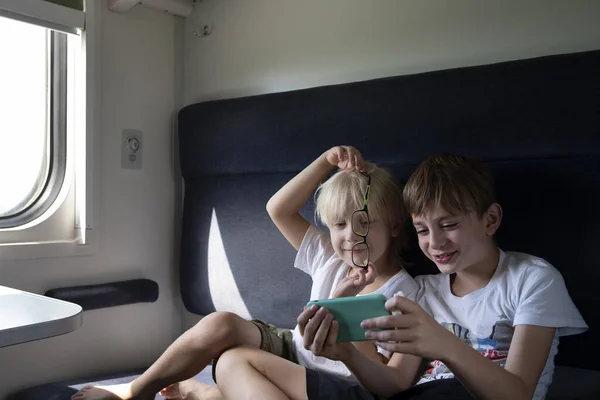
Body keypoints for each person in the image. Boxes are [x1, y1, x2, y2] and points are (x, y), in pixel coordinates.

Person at [212, 153, 588, 400]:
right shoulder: (422, 292)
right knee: (232, 361)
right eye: (423, 230)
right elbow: (391, 385)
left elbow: (518, 394)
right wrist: (346, 347)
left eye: (450, 225)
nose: (435, 242)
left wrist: (443, 344)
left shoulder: (531, 279)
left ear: (490, 219)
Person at [71, 146, 418, 400]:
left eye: (364, 223)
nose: (349, 236)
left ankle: (205, 395)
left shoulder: (404, 294)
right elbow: (278, 209)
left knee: (233, 363)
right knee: (220, 324)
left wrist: (343, 310)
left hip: (340, 380)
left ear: (394, 226)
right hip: (293, 351)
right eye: (338, 225)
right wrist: (326, 162)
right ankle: (138, 391)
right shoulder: (328, 256)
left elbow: (382, 373)